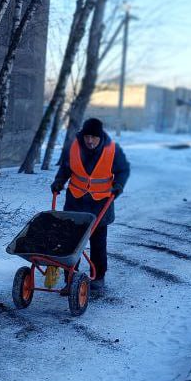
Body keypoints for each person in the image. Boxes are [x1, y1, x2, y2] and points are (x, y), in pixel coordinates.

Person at [51, 117, 130, 294]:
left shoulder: (112, 150)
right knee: (71, 242)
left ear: (100, 137)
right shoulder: (74, 147)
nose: (90, 141)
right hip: (76, 201)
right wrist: (59, 181)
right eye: (87, 136)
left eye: (94, 137)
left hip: (100, 203)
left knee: (98, 243)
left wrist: (118, 185)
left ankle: (98, 278)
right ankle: (70, 279)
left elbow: (123, 170)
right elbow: (65, 168)